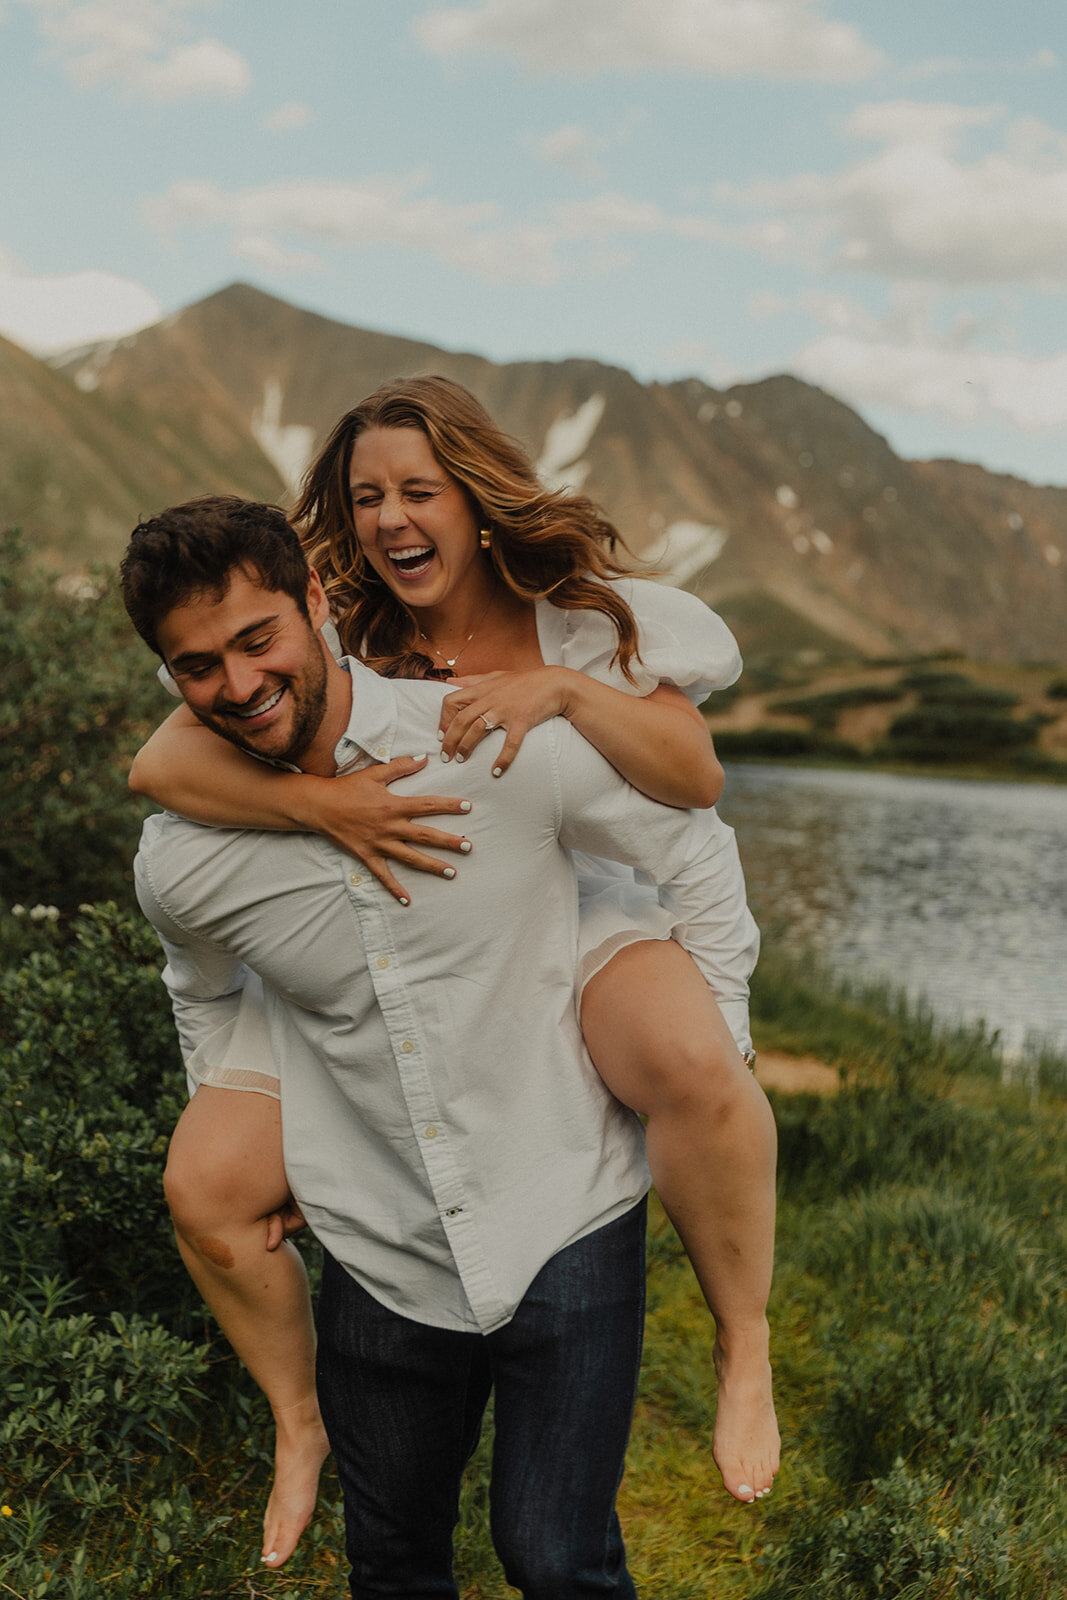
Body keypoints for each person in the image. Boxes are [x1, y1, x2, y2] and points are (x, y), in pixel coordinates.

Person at [128, 379, 779, 1569]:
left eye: (417, 490)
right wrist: (314, 804)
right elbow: (163, 767)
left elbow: (692, 792)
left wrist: (565, 692)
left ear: (474, 499)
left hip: (568, 906)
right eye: (366, 495)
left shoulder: (569, 622)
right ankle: (298, 1424)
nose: (389, 516)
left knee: (688, 1059)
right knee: (208, 1181)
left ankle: (744, 1345)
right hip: (387, 947)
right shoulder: (332, 635)